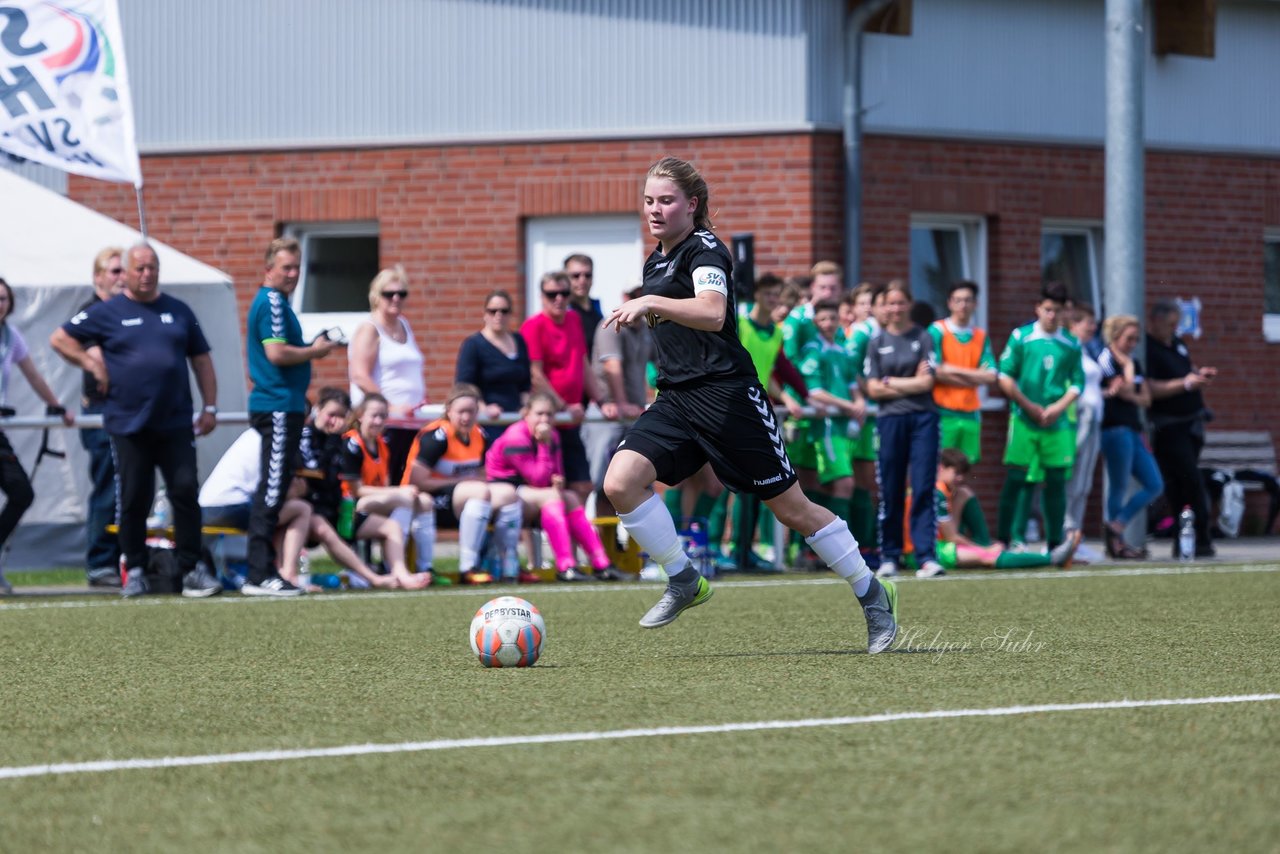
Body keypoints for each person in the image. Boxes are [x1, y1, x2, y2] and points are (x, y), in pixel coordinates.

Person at [601, 156, 897, 652]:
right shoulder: (655, 259)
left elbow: (713, 314)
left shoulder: (706, 249)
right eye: (649, 200)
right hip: (675, 399)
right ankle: (683, 578)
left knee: (792, 511)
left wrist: (651, 303)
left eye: (666, 200)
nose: (654, 209)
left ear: (692, 205)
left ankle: (873, 592)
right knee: (620, 482)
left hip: (728, 398)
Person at [51, 243, 221, 599]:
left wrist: (211, 407)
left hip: (175, 422)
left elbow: (202, 360)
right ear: (125, 273)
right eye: (139, 268)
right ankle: (136, 569)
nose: (146, 274)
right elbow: (60, 339)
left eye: (152, 268)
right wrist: (92, 364)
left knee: (185, 490)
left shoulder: (178, 310)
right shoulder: (107, 311)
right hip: (128, 424)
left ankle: (192, 568)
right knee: (133, 498)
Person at [244, 238, 338, 597]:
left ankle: (263, 571)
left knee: (276, 487)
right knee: (271, 489)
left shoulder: (278, 302)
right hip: (278, 405)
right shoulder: (271, 302)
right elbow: (278, 354)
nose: (293, 274)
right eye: (286, 267)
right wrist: (315, 350)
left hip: (285, 405)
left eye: (297, 267)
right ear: (269, 268)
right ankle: (258, 572)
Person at [485, 392, 621, 582]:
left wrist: (557, 481)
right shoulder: (516, 436)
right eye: (539, 414)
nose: (544, 419)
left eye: (549, 415)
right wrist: (543, 445)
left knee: (571, 497)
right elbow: (538, 479)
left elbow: (556, 476)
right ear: (526, 414)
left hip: (530, 494)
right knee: (552, 496)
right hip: (504, 496)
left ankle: (602, 564)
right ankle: (565, 566)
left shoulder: (553, 435)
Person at [402, 383, 527, 584]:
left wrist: (471, 482)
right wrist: (462, 481)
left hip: (465, 499)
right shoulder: (437, 436)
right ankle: (468, 567)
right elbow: (416, 481)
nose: (466, 417)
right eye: (461, 411)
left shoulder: (479, 434)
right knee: (479, 491)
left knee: (508, 493)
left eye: (471, 411)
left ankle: (508, 565)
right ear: (448, 411)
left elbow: (482, 472)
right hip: (430, 499)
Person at [996, 281, 1083, 556]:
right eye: (1047, 309)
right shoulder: (1021, 337)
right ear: (1038, 308)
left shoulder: (1070, 343)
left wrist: (1058, 407)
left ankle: (1055, 542)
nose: (1052, 315)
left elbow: (1077, 383)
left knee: (1056, 480)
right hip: (1024, 418)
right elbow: (1005, 376)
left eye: (1057, 310)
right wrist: (1028, 404)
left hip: (1055, 423)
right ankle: (1008, 538)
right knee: (1017, 477)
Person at [864, 281, 942, 579]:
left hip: (923, 419)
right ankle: (890, 556)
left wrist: (890, 383)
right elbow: (872, 388)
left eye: (900, 302)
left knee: (923, 487)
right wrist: (904, 383)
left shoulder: (923, 337)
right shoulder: (876, 341)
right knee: (891, 488)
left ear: (909, 305)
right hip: (890, 421)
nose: (895, 309)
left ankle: (925, 556)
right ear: (883, 307)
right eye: (890, 303)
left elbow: (927, 383)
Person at [0, 278, 72, 594]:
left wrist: (56, 406)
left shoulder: (10, 337)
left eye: (3, 298)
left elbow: (33, 374)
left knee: (21, 492)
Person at [296, 387, 399, 590]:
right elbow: (316, 474)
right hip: (310, 511)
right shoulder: (306, 436)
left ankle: (399, 573)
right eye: (331, 415)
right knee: (323, 528)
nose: (336, 421)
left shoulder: (345, 441)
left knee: (390, 526)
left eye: (341, 416)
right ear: (318, 410)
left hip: (337, 511)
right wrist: (334, 440)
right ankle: (372, 577)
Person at [521, 271, 604, 503]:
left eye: (564, 293)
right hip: (546, 420)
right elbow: (535, 374)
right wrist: (563, 406)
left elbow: (583, 364)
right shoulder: (533, 326)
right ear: (542, 297)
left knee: (582, 485)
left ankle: (570, 539)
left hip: (571, 419)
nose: (558, 298)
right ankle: (542, 540)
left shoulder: (574, 320)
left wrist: (602, 400)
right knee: (543, 488)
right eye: (552, 294)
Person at [342, 394, 436, 588]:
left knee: (423, 500)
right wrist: (398, 492)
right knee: (404, 498)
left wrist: (399, 492)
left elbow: (383, 486)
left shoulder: (382, 445)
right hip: (348, 509)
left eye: (383, 416)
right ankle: (398, 570)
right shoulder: (351, 443)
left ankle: (423, 566)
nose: (379, 421)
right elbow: (357, 490)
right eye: (374, 415)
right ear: (360, 416)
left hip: (372, 503)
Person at [198, 428, 313, 588]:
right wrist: (295, 492)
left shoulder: (255, 433)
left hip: (205, 507)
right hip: (230, 507)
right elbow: (270, 493)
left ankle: (280, 573)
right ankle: (288, 575)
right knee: (301, 508)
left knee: (284, 511)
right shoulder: (275, 434)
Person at [797, 300, 865, 567]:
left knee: (830, 484)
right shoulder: (813, 350)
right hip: (824, 427)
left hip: (842, 426)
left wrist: (858, 402)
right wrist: (850, 406)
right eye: (823, 319)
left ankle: (821, 551)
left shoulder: (843, 350)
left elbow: (852, 383)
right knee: (843, 483)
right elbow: (814, 392)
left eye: (832, 318)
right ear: (816, 322)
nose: (828, 324)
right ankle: (835, 550)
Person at [934, 449, 1080, 570]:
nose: (960, 478)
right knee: (988, 557)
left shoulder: (943, 491)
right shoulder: (938, 493)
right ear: (941, 468)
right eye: (956, 473)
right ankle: (1053, 557)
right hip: (935, 550)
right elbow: (951, 537)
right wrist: (984, 550)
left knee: (964, 493)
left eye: (962, 474)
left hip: (938, 546)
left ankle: (1054, 556)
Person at [348, 265, 427, 484]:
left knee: (408, 481)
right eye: (388, 294)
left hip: (410, 422)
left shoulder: (404, 324)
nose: (395, 298)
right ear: (376, 296)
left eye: (401, 294)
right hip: (385, 422)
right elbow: (359, 375)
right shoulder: (370, 328)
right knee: (388, 482)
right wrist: (389, 407)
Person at [77, 247, 126, 587]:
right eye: (114, 271)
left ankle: (124, 558)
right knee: (108, 486)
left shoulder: (126, 312)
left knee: (129, 487)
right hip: (102, 411)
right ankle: (99, 562)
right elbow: (100, 359)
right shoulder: (92, 313)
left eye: (124, 271)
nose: (121, 277)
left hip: (128, 410)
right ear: (98, 278)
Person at [1097, 313, 1164, 559]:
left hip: (1134, 430)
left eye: (1136, 339)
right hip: (1114, 429)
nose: (1133, 344)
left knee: (1155, 484)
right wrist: (1127, 371)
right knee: (1119, 486)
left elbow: (1144, 398)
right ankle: (1118, 545)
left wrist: (1128, 388)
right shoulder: (1106, 359)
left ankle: (1116, 525)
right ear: (1115, 337)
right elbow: (1124, 387)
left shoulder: (1133, 361)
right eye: (1129, 339)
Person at [583, 285, 653, 517]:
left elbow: (664, 363)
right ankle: (598, 549)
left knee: (636, 482)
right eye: (634, 294)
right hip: (608, 415)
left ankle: (630, 550)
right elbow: (611, 365)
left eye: (643, 294)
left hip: (633, 415)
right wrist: (621, 404)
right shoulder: (612, 323)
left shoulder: (645, 328)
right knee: (600, 484)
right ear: (625, 297)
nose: (639, 299)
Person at [928, 281, 997, 464]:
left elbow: (990, 375)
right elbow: (935, 370)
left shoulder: (980, 336)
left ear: (976, 304)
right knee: (938, 466)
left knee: (964, 470)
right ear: (949, 303)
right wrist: (974, 376)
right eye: (958, 300)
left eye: (967, 300)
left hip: (970, 411)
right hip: (942, 410)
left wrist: (950, 369)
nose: (963, 305)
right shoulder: (937, 330)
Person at [454, 289, 531, 444]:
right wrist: (483, 408)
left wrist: (527, 407)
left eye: (504, 311)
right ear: (485, 314)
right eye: (493, 311)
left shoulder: (519, 341)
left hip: (517, 420)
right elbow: (464, 385)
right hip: (489, 422)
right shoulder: (473, 344)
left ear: (510, 314)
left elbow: (525, 384)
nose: (498, 315)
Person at [1062, 305, 1105, 558]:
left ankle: (1075, 536)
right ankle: (1066, 534)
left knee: (1084, 483)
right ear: (1073, 325)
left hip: (1093, 421)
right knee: (1072, 480)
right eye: (1088, 323)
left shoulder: (1086, 350)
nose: (1093, 327)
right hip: (1076, 421)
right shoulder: (1068, 350)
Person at [564, 253, 605, 361]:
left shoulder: (596, 308)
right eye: (575, 276)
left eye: (587, 275)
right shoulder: (562, 312)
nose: (582, 280)